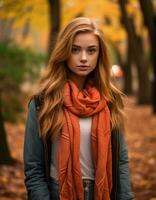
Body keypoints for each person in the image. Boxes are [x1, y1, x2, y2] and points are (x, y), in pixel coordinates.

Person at [23, 17, 134, 200]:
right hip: (58, 193)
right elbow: (33, 167)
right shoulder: (43, 102)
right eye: (75, 50)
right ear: (64, 52)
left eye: (91, 51)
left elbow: (121, 161)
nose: (83, 58)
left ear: (100, 54)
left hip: (103, 193)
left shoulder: (110, 100)